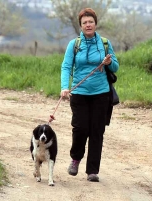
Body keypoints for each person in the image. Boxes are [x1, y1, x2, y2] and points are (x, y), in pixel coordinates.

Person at [60, 8, 119, 182]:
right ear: (80, 25)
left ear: (95, 23)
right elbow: (66, 67)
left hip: (101, 94)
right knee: (80, 128)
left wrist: (109, 63)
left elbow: (115, 67)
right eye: (84, 22)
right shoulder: (74, 44)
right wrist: (65, 87)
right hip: (79, 93)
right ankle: (75, 159)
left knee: (97, 131)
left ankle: (92, 171)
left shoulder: (105, 43)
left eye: (90, 21)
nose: (88, 25)